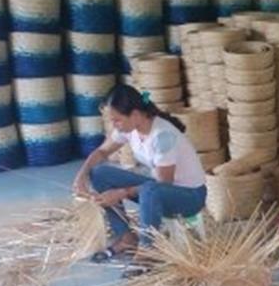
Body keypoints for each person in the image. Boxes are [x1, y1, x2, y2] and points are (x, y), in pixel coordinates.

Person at [72, 84, 207, 268]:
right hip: (159, 189)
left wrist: (121, 193)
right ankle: (126, 237)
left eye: (117, 120)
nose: (114, 125)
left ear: (135, 115)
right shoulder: (131, 128)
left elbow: (163, 183)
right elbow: (102, 152)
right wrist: (81, 175)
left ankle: (147, 251)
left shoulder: (163, 136)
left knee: (150, 190)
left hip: (189, 196)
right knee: (99, 173)